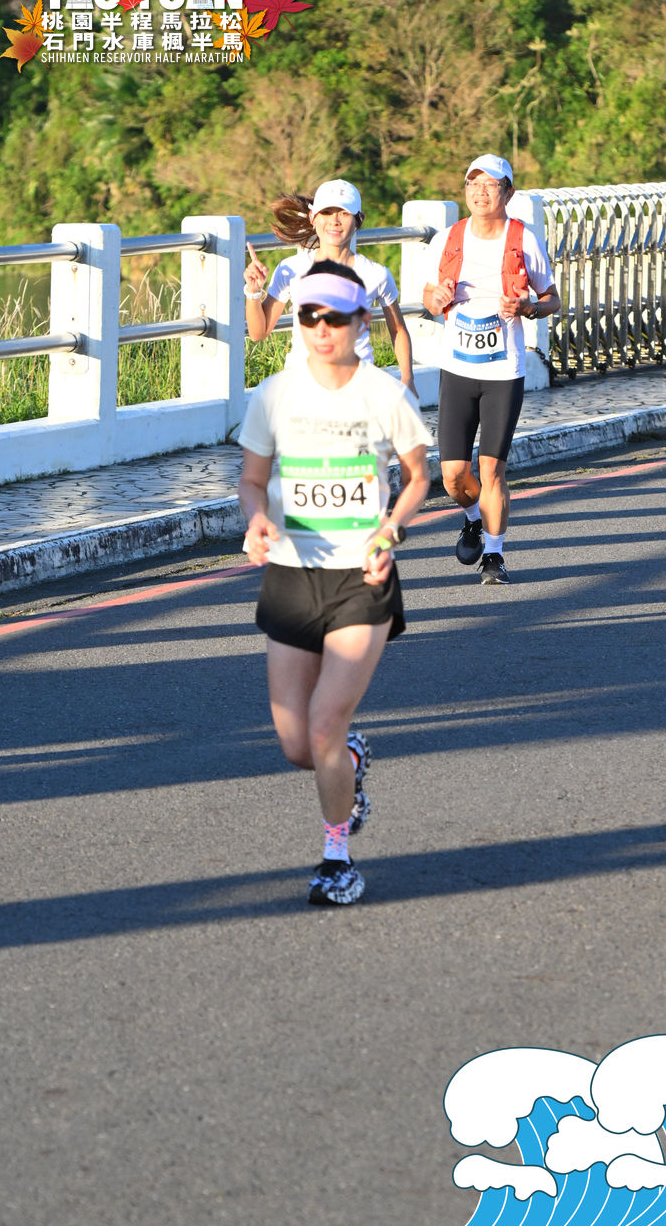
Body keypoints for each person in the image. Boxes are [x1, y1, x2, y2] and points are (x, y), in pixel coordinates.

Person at [237, 261, 432, 906]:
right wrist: (256, 518)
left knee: (323, 722)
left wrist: (391, 529)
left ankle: (337, 857)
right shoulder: (273, 396)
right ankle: (347, 761)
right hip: (292, 576)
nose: (322, 329)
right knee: (299, 745)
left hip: (360, 577)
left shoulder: (385, 395)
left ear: (360, 321)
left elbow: (418, 477)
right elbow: (251, 480)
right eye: (309, 317)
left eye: (335, 318)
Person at [422, 154, 560, 584]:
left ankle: (495, 556)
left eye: (490, 185)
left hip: (504, 370)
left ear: (508, 192)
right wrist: (436, 299)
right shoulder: (448, 239)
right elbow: (428, 296)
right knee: (452, 475)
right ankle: (473, 518)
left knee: (491, 469)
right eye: (473, 184)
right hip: (457, 367)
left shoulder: (523, 239)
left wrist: (529, 307)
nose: (480, 192)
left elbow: (552, 299)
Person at [243, 178, 417, 398]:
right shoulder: (291, 268)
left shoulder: (376, 273)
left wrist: (407, 378)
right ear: (312, 217)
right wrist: (253, 292)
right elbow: (258, 333)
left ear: (359, 220)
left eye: (344, 213)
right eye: (326, 212)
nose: (334, 221)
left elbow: (398, 330)